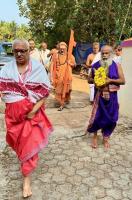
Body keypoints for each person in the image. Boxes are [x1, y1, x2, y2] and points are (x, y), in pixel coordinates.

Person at [0, 39, 53, 198]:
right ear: (13, 52)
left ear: (29, 51)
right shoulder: (7, 69)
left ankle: (26, 181)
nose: (19, 53)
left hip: (31, 116)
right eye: (16, 51)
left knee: (29, 149)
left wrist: (32, 112)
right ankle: (24, 164)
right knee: (19, 146)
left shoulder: (38, 69)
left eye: (23, 50)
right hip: (12, 117)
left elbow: (44, 94)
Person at [87, 45, 125, 149]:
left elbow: (123, 81)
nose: (104, 55)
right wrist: (96, 81)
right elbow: (89, 79)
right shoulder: (95, 65)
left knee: (112, 118)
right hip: (99, 96)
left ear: (111, 54)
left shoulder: (117, 65)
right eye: (103, 53)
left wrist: (110, 80)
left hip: (112, 97)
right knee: (97, 117)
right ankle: (94, 136)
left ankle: (106, 136)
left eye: (107, 53)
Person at [50, 42, 76, 111]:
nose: (62, 50)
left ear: (66, 49)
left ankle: (65, 100)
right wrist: (51, 76)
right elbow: (52, 65)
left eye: (63, 49)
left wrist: (70, 63)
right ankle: (62, 103)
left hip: (68, 76)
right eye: (61, 49)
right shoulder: (55, 55)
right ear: (58, 48)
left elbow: (74, 65)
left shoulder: (70, 55)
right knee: (60, 91)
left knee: (68, 89)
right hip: (58, 75)